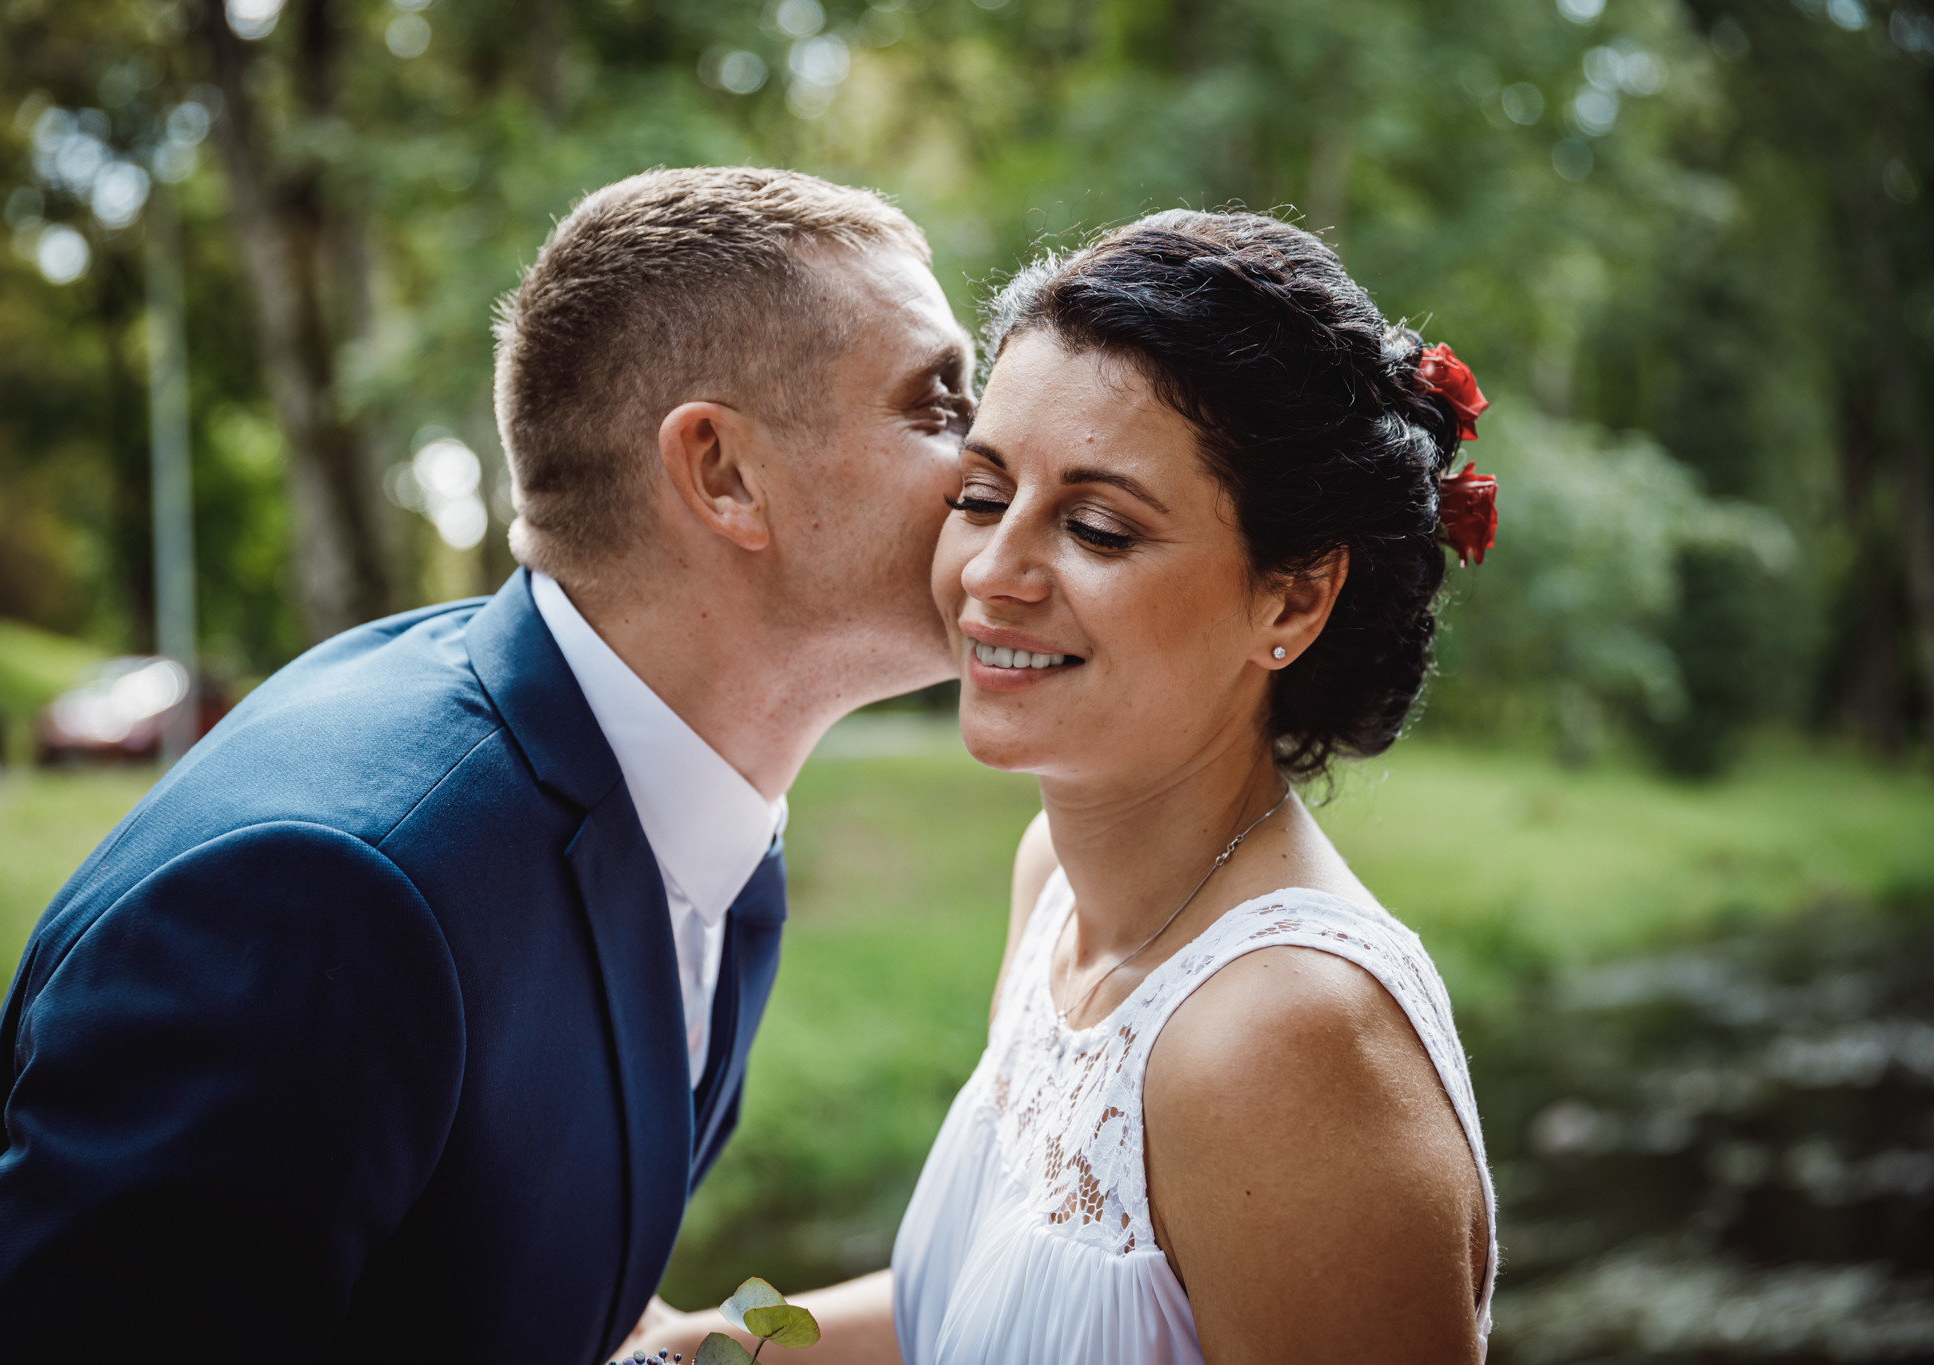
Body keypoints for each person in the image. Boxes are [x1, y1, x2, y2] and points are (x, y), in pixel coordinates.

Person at [0, 167, 975, 1363]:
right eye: (939, 404)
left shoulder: (678, 785)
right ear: (722, 473)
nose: (993, 461)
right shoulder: (322, 901)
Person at [624, 210, 1498, 1364]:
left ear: (1289, 597)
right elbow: (988, 1298)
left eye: (1094, 526)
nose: (991, 572)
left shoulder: (1285, 1039)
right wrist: (698, 1348)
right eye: (981, 496)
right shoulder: (1053, 881)